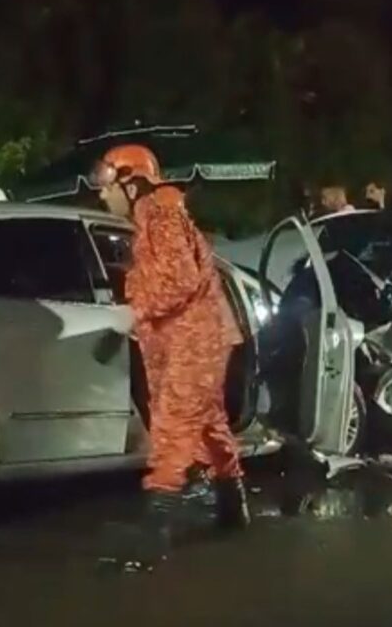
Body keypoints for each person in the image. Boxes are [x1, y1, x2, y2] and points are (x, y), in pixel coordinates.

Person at [91, 145, 249, 544]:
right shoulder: (152, 218)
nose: (101, 194)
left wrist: (135, 311)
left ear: (131, 185)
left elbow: (179, 281)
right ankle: (233, 504)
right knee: (209, 424)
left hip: (193, 339)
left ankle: (156, 523)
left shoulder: (160, 215)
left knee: (173, 424)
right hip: (189, 336)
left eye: (107, 185)